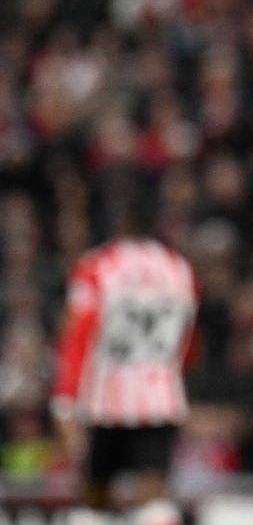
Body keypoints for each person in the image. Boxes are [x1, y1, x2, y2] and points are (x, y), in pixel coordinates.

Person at [51, 195, 198, 525]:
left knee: (94, 496)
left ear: (119, 223)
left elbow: (77, 338)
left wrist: (64, 401)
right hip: (161, 397)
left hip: (106, 400)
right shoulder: (178, 268)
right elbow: (188, 341)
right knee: (156, 498)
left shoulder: (97, 266)